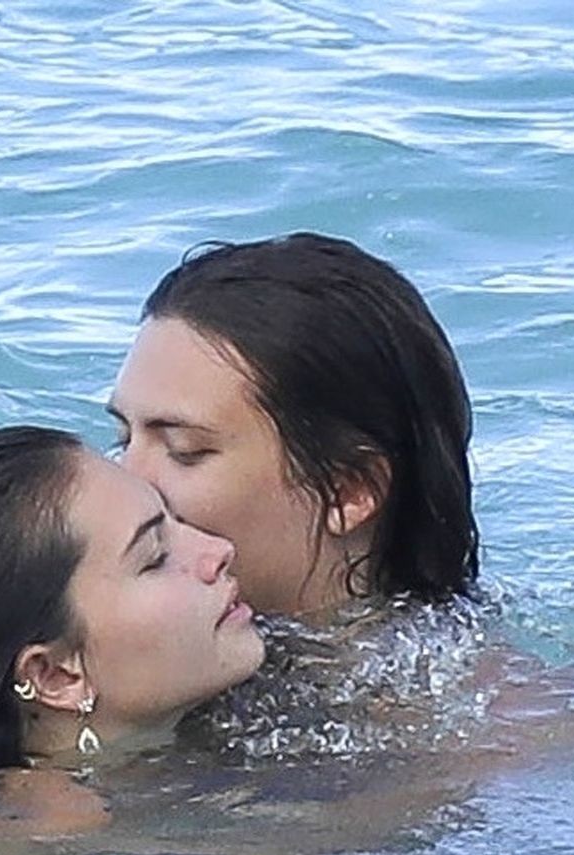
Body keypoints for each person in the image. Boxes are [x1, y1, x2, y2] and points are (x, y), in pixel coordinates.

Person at [0, 425, 265, 774]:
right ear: (54, 675)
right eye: (154, 558)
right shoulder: (49, 834)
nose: (219, 549)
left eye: (175, 518)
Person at [108, 231, 478, 621]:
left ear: (348, 489)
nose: (124, 483)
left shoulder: (460, 664)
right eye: (123, 440)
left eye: (184, 450)